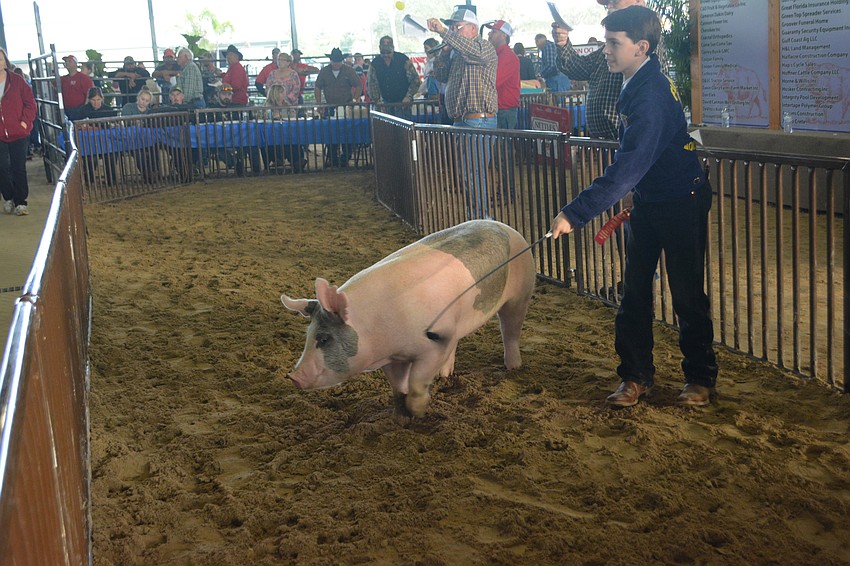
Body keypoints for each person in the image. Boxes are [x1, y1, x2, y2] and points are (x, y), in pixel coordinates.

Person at [548, 6, 717, 408]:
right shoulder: (639, 82)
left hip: (681, 201)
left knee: (687, 293)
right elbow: (634, 165)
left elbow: (628, 165)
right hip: (650, 200)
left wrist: (575, 213)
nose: (606, 50)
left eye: (612, 43)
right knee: (635, 292)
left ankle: (700, 378)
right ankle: (636, 376)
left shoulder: (652, 95)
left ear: (641, 47)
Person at [428, 8, 498, 219]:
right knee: (467, 174)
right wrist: (445, 52)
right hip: (463, 121)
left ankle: (482, 220)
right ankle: (476, 219)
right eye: (451, 27)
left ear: (473, 28)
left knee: (473, 173)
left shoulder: (483, 47)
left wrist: (443, 33)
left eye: (457, 27)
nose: (452, 31)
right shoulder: (458, 54)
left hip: (478, 120)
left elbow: (472, 52)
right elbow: (440, 75)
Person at [553, 0, 649, 140]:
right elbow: (578, 67)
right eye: (607, 3)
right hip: (606, 142)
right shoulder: (604, 52)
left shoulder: (648, 44)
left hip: (628, 141)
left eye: (615, 1)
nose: (609, 6)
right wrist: (563, 44)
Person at [0, 48, 37, 216]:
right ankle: (8, 197)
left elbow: (30, 103)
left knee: (18, 167)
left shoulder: (17, 81)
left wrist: (23, 122)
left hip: (18, 133)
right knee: (2, 167)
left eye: (0, 58)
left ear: (5, 61)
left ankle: (21, 202)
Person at [314, 47, 362, 167]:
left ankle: (345, 156)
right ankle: (333, 157)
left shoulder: (349, 70)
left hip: (346, 105)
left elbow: (358, 85)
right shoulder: (324, 71)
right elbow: (317, 87)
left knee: (347, 132)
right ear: (331, 60)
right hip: (330, 106)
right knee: (331, 133)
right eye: (334, 61)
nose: (336, 63)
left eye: (338, 61)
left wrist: (354, 100)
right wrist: (319, 103)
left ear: (342, 60)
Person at [366, 35, 420, 118]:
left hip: (403, 103)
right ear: (379, 49)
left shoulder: (403, 60)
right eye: (383, 53)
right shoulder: (374, 63)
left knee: (404, 129)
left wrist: (408, 97)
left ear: (393, 48)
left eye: (388, 52)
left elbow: (415, 80)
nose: (386, 55)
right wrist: (377, 100)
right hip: (384, 104)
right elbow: (371, 84)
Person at [74, 87, 119, 186]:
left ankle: (112, 180)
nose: (96, 102)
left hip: (106, 143)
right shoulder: (83, 110)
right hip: (89, 144)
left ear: (102, 99)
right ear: (89, 100)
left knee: (111, 155)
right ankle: (89, 180)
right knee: (90, 158)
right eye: (93, 100)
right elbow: (77, 125)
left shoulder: (108, 110)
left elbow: (115, 124)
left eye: (98, 100)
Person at [120, 87, 160, 183]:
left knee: (154, 148)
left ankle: (154, 172)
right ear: (138, 98)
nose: (143, 102)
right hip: (131, 139)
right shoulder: (128, 107)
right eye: (142, 99)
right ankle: (147, 174)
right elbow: (125, 121)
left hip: (147, 139)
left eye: (146, 101)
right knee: (137, 151)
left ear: (149, 102)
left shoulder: (150, 112)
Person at [485, 20, 520, 130]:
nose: (489, 34)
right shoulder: (497, 54)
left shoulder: (507, 56)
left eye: (494, 32)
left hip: (504, 110)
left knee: (503, 146)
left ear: (504, 35)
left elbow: (493, 81)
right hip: (500, 109)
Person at [264, 84, 306, 173]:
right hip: (272, 134)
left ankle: (297, 161)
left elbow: (293, 115)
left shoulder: (287, 104)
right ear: (276, 94)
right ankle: (284, 160)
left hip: (286, 132)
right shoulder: (267, 106)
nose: (284, 94)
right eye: (282, 92)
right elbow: (263, 118)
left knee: (293, 141)